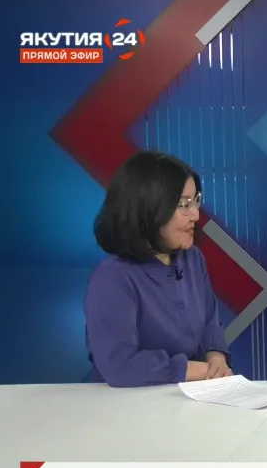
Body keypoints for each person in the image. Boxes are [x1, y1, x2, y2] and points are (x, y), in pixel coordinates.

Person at [84, 151, 232, 387]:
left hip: (189, 393)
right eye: (183, 204)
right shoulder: (113, 277)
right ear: (148, 209)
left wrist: (216, 359)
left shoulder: (192, 259)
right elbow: (120, 365)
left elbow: (209, 323)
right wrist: (198, 370)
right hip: (125, 403)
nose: (195, 214)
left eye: (195, 201)